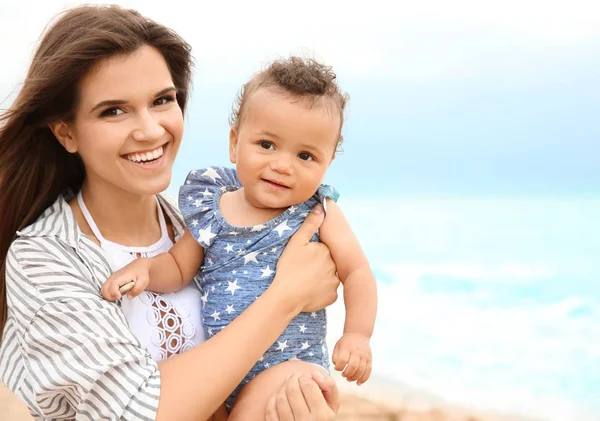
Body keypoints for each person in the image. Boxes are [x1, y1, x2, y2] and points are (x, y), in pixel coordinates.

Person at [0, 5, 342, 421]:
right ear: (66, 132)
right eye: (113, 110)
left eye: (162, 100)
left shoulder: (205, 225)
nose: (150, 130)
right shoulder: (43, 258)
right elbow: (137, 412)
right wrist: (286, 297)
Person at [101, 56, 378, 418]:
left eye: (305, 155)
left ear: (326, 165)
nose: (283, 164)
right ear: (235, 143)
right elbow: (178, 266)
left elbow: (357, 271)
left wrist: (357, 334)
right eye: (266, 145)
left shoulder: (318, 212)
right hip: (225, 372)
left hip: (293, 371)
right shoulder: (213, 208)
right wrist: (146, 272)